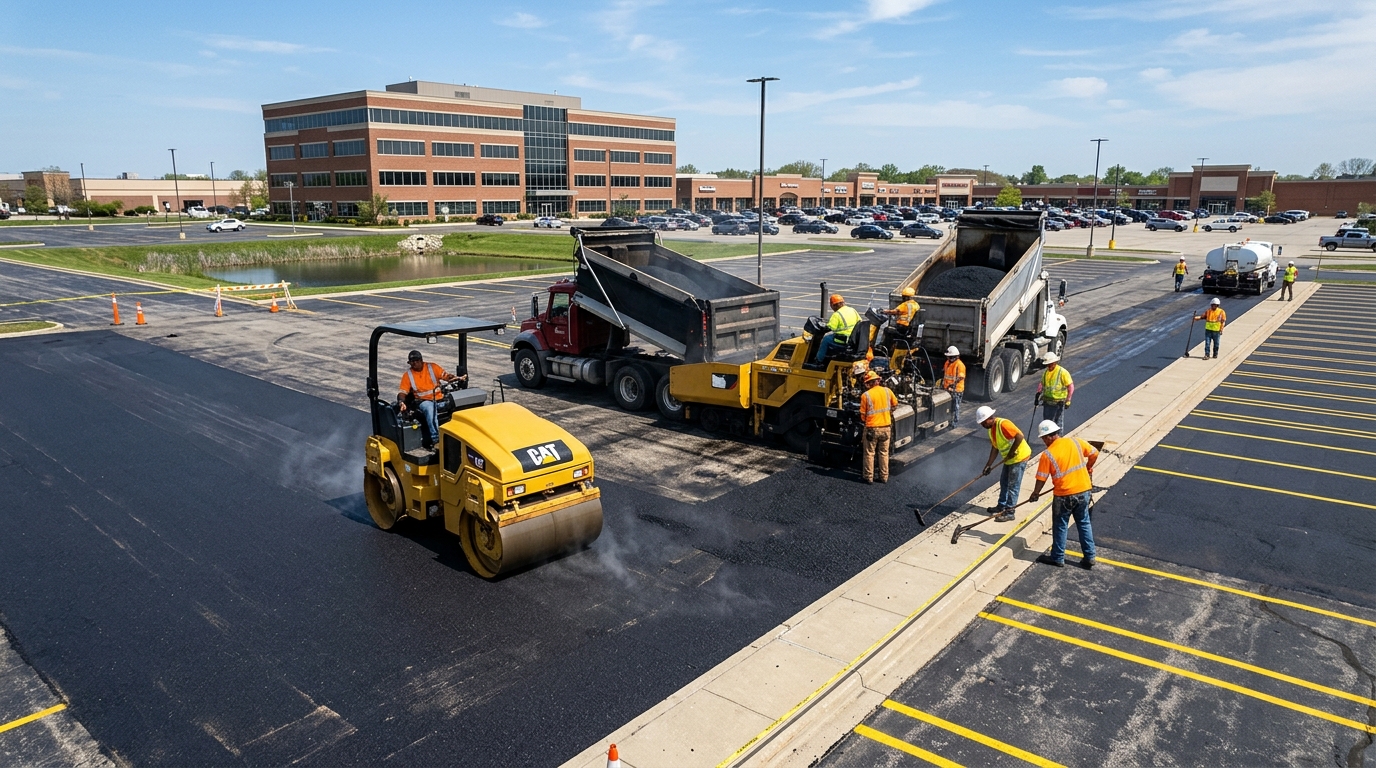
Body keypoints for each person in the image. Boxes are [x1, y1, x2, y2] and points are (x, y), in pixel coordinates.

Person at [1027, 420, 1099, 569]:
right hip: (1084, 490)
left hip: (1064, 495)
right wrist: (1088, 467)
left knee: (1060, 526)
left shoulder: (1048, 454)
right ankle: (1090, 557)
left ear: (1048, 437)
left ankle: (1058, 557)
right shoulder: (1075, 441)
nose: (1044, 442)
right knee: (1084, 523)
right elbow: (1094, 453)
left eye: (1043, 439)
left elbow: (1041, 478)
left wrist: (1035, 493)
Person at [397, 350, 464, 448]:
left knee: (457, 402)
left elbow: (445, 376)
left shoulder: (432, 367)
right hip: (423, 402)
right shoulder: (408, 375)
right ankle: (436, 439)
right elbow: (402, 392)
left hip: (439, 398)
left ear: (421, 360)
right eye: (412, 362)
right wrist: (401, 402)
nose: (414, 363)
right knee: (430, 409)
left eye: (416, 361)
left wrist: (452, 377)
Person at [977, 406, 1031, 522]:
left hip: (1019, 457)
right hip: (1009, 459)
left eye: (983, 422)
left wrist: (1011, 452)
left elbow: (1019, 436)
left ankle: (1010, 512)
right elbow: (995, 448)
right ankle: (1001, 506)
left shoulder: (1003, 424)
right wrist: (988, 465)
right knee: (1004, 482)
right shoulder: (991, 430)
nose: (982, 425)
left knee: (1013, 486)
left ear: (990, 418)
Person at [859, 371, 898, 483]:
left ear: (868, 383)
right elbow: (895, 404)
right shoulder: (887, 391)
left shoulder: (865, 395)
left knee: (869, 453)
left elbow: (862, 415)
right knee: (884, 453)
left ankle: (868, 477)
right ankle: (884, 477)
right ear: (878, 381)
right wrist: (887, 414)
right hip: (886, 427)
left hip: (872, 429)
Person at [815, 294, 861, 364]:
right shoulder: (852, 310)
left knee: (826, 339)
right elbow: (860, 321)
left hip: (844, 340)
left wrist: (823, 326)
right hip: (854, 338)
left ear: (834, 305)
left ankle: (818, 360)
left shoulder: (837, 314)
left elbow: (829, 327)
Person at [1036, 352, 1074, 432]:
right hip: (1047, 402)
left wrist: (1068, 400)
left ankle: (1058, 440)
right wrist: (1038, 394)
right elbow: (1042, 384)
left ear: (1055, 362)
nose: (1048, 366)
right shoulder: (1046, 373)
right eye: (1047, 365)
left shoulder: (1062, 372)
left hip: (1058, 402)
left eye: (1050, 364)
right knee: (1047, 423)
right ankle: (1048, 440)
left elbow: (1070, 387)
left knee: (1057, 424)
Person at [942, 346, 965, 425]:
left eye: (950, 357)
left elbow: (960, 377)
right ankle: (948, 421)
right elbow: (945, 373)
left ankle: (954, 423)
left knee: (955, 407)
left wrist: (952, 385)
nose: (948, 358)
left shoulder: (959, 365)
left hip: (956, 390)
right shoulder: (947, 363)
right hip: (947, 389)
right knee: (948, 407)